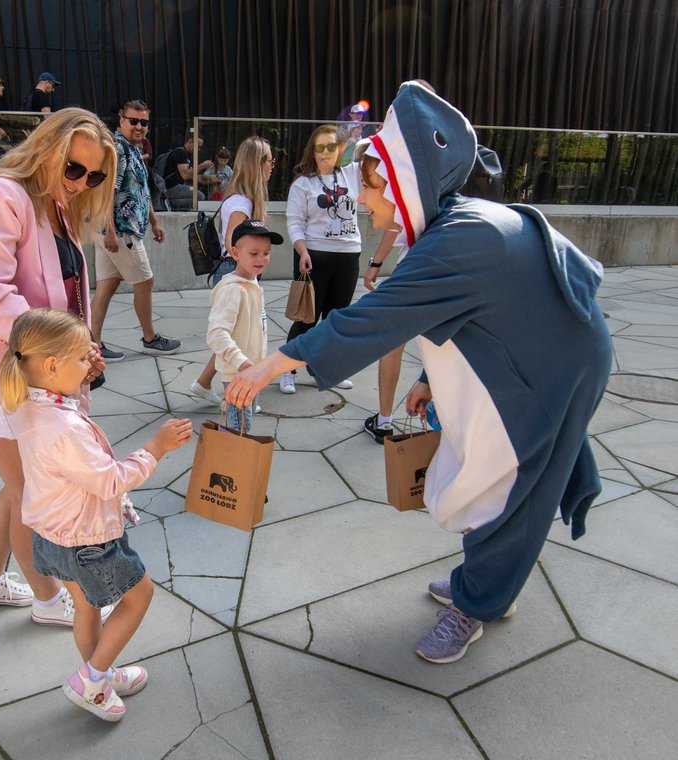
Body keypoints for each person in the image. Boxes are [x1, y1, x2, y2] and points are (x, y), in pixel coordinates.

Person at [226, 81, 612, 664]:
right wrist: (432, 380)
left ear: (410, 180)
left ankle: (479, 603)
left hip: (553, 366)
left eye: (374, 184)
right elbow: (462, 312)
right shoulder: (451, 229)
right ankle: (484, 582)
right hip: (530, 354)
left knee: (510, 485)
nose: (364, 200)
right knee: (487, 472)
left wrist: (273, 363)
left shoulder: (464, 236)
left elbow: (374, 317)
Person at [0, 108, 116, 625]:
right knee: (33, 495)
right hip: (5, 377)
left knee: (17, 486)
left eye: (95, 175)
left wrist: (82, 349)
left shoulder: (54, 206)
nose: (83, 182)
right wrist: (63, 353)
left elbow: (64, 296)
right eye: (74, 169)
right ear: (46, 149)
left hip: (40, 373)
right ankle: (48, 600)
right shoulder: (0, 194)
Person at [0, 308, 192, 720]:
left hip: (52, 537)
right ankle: (92, 681)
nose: (92, 363)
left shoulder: (29, 405)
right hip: (89, 541)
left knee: (86, 607)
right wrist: (156, 448)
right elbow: (109, 481)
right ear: (52, 365)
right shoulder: (64, 429)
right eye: (83, 358)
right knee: (139, 597)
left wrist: (81, 380)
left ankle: (98, 674)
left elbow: (67, 411)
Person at [89, 100, 182, 360]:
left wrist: (154, 222)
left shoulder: (132, 150)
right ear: (121, 120)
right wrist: (109, 230)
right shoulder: (117, 149)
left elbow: (140, 191)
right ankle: (150, 338)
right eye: (134, 121)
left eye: (144, 122)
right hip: (119, 229)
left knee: (106, 286)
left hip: (120, 229)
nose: (139, 126)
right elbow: (105, 191)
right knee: (145, 280)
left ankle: (93, 343)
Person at [189, 136, 274, 407]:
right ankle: (238, 396)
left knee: (239, 337)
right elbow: (232, 242)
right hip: (234, 272)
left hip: (238, 272)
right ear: (258, 164)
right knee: (242, 340)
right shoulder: (242, 203)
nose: (272, 165)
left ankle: (203, 384)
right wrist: (251, 261)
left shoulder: (243, 198)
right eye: (269, 160)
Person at [278, 124, 361, 395]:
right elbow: (295, 222)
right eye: (319, 147)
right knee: (307, 319)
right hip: (313, 255)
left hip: (348, 254)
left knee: (336, 320)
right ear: (312, 152)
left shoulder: (353, 173)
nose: (325, 153)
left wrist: (354, 137)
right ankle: (286, 369)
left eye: (331, 147)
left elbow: (374, 150)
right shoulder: (303, 184)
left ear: (340, 150)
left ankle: (325, 370)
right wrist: (302, 251)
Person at [206, 220, 281, 431]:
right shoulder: (233, 290)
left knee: (243, 425)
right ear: (236, 253)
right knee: (239, 431)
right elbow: (216, 334)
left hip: (252, 371)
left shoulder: (252, 283)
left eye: (266, 253)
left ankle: (238, 461)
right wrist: (242, 363)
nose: (261, 259)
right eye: (254, 253)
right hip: (238, 374)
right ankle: (233, 463)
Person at [361, 227, 405, 443]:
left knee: (392, 344)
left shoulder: (409, 193)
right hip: (451, 265)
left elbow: (394, 225)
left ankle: (385, 421)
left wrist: (375, 264)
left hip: (413, 266)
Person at [163, 131, 214, 210]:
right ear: (190, 141)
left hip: (179, 186)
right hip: (172, 187)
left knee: (199, 194)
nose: (199, 149)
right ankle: (173, 205)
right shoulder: (180, 152)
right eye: (198, 146)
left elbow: (191, 175)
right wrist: (202, 166)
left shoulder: (188, 155)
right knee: (199, 196)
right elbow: (185, 175)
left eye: (200, 147)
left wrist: (205, 179)